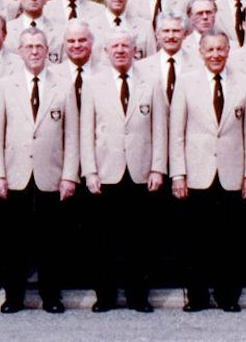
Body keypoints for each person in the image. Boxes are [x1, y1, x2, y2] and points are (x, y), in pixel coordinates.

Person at [0, 29, 78, 314]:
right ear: (20, 51)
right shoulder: (6, 85)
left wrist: (69, 175)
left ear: (47, 50)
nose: (35, 52)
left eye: (39, 46)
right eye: (29, 47)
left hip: (51, 175)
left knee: (51, 242)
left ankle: (51, 296)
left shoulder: (62, 86)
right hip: (15, 174)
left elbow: (72, 135)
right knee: (13, 242)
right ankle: (13, 296)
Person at [170, 28, 246, 312]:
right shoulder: (187, 82)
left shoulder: (244, 82)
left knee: (230, 240)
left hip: (232, 174)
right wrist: (179, 173)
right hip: (197, 173)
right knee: (196, 240)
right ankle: (196, 297)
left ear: (228, 51)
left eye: (221, 49)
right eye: (210, 50)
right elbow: (177, 132)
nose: (216, 55)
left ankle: (228, 296)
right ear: (201, 52)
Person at [81, 29, 166, 312]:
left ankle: (137, 296)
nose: (120, 50)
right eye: (114, 46)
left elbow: (160, 130)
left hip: (141, 172)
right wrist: (90, 171)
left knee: (140, 239)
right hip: (106, 172)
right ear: (105, 51)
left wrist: (157, 168)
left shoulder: (151, 82)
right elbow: (86, 132)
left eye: (125, 46)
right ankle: (104, 296)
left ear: (135, 51)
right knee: (103, 239)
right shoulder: (93, 84)